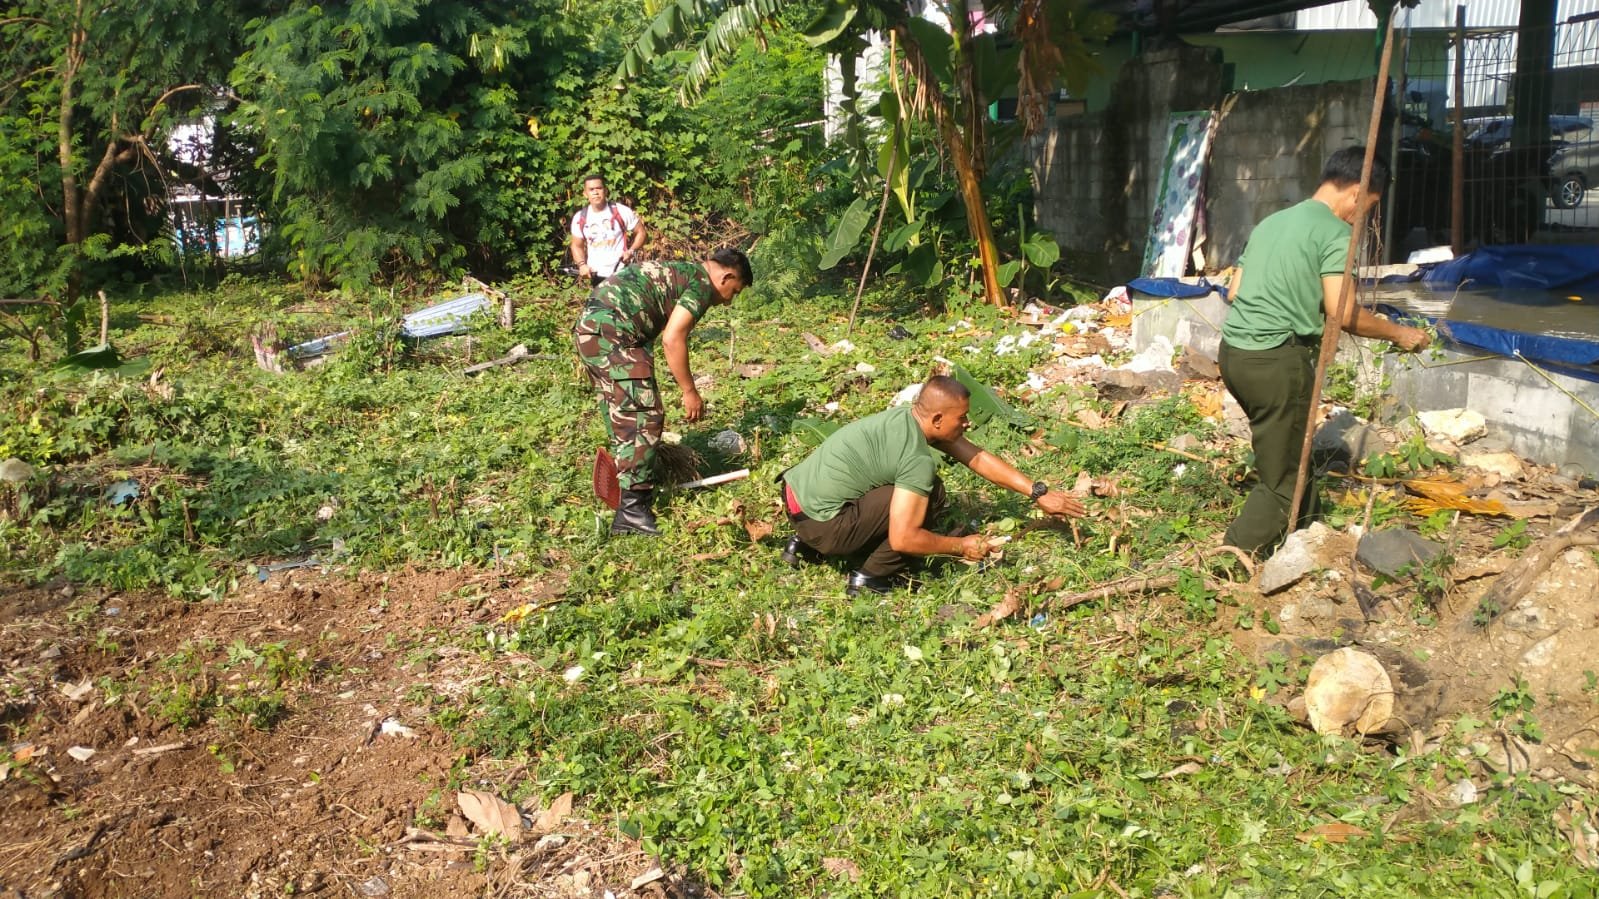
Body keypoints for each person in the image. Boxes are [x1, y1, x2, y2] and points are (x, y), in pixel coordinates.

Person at [1219, 146, 1431, 556]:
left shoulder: (1271, 222)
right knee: (1282, 483)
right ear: (1356, 194)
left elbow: (1234, 290)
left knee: (1294, 454)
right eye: (1367, 208)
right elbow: (1344, 312)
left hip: (1234, 355)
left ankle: (1310, 538)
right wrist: (1399, 333)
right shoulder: (1336, 233)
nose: (1362, 217)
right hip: (1276, 362)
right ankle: (1224, 562)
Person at [780, 376, 1087, 595]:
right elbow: (903, 539)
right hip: (825, 526)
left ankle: (806, 546)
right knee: (931, 495)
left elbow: (976, 457)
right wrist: (960, 546)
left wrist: (1037, 492)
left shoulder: (905, 419)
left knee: (907, 492)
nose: (968, 424)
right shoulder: (916, 459)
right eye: (963, 418)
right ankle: (871, 577)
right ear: (938, 418)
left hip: (797, 503)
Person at [574, 249, 753, 535]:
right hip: (615, 333)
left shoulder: (681, 271)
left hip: (591, 330)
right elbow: (673, 338)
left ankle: (626, 492)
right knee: (643, 416)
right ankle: (633, 510)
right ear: (727, 276)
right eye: (735, 291)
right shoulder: (701, 283)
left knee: (622, 413)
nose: (730, 301)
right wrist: (689, 391)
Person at [570, 174, 646, 286]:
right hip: (597, 275)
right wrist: (582, 265)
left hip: (622, 271)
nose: (595, 192)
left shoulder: (621, 211)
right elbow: (576, 245)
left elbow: (641, 232)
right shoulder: (580, 217)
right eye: (591, 189)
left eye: (599, 188)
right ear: (585, 194)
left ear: (605, 191)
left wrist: (631, 251)